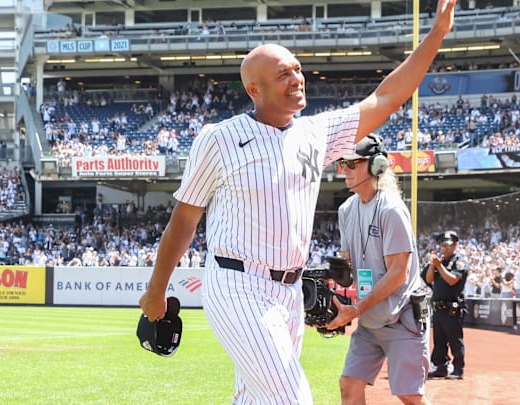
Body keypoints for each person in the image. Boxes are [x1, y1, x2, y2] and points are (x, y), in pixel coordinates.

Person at [138, 1, 456, 402]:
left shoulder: (315, 132)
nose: (296, 78)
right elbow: (183, 221)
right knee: (292, 399)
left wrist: (437, 34)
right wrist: (156, 290)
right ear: (255, 90)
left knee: (256, 398)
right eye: (283, 73)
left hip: (289, 292)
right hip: (238, 284)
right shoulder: (218, 138)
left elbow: (387, 97)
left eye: (297, 69)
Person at [325, 135, 431, 405]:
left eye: (351, 163)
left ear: (375, 166)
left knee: (409, 395)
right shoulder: (347, 209)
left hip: (402, 317)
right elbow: (348, 265)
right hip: (371, 318)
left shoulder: (391, 209)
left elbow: (398, 273)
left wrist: (356, 309)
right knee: (349, 386)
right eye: (341, 164)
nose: (345, 170)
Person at [420, 231, 468, 380]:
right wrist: (432, 266)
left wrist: (439, 267)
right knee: (439, 341)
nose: (445, 248)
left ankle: (458, 369)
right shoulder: (438, 261)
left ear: (455, 246)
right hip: (438, 307)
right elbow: (428, 279)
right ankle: (440, 366)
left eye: (448, 245)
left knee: (455, 340)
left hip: (452, 308)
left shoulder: (459, 262)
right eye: (442, 245)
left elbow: (453, 280)